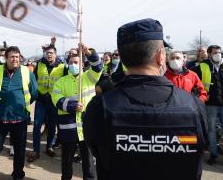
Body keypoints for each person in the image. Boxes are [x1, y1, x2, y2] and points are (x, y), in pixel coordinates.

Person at [83, 18, 208, 180]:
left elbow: (95, 148)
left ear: (122, 57)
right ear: (160, 56)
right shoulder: (193, 106)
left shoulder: (100, 107)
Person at [0, 46, 37, 180]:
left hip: (20, 119)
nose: (15, 59)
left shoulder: (26, 72)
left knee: (19, 150)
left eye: (17, 57)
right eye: (12, 57)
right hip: (1, 118)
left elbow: (34, 93)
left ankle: (18, 174)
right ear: (6, 58)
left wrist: (23, 105)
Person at [51, 44, 102, 180]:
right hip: (68, 128)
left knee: (89, 161)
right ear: (67, 64)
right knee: (66, 160)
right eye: (71, 62)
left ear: (81, 64)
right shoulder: (60, 82)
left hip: (87, 127)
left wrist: (89, 53)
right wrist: (73, 105)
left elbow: (98, 67)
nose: (73, 64)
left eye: (76, 62)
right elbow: (56, 99)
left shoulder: (89, 77)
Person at [192, 45, 223, 170]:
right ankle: (213, 154)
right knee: (212, 132)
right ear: (208, 54)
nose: (218, 54)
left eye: (219, 52)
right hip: (210, 105)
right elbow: (191, 80)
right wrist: (198, 94)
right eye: (214, 52)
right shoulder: (201, 67)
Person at [28, 45, 65, 162]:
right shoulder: (39, 64)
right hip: (41, 100)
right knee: (37, 126)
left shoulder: (62, 66)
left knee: (52, 126)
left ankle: (49, 147)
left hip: (54, 101)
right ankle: (36, 150)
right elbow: (33, 80)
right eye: (47, 53)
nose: (49, 55)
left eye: (51, 53)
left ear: (55, 54)